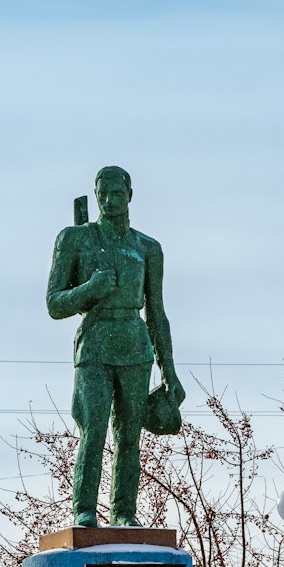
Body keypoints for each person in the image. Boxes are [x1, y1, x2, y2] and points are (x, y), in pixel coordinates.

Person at [46, 166, 185, 527]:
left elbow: (156, 312)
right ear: (95, 196)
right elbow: (54, 304)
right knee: (92, 429)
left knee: (129, 436)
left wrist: (169, 372)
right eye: (102, 194)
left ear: (129, 196)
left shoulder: (147, 248)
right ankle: (85, 510)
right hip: (94, 343)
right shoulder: (75, 239)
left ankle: (124, 513)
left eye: (116, 193)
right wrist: (90, 289)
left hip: (136, 346)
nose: (109, 200)